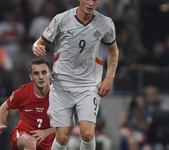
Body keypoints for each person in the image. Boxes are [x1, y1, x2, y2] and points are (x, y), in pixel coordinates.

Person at [32, 0, 119, 150]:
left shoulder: (106, 23)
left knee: (86, 133)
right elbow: (39, 43)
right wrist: (36, 47)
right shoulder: (61, 19)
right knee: (63, 136)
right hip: (62, 85)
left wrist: (110, 76)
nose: (91, 3)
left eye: (95, 0)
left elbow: (113, 50)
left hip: (89, 85)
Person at [0, 58, 55, 150]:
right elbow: (5, 107)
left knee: (64, 137)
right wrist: (0, 124)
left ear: (50, 74)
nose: (41, 77)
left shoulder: (58, 95)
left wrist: (46, 132)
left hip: (47, 139)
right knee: (30, 142)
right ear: (31, 77)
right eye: (36, 73)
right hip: (23, 133)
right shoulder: (23, 92)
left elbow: (69, 125)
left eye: (44, 72)